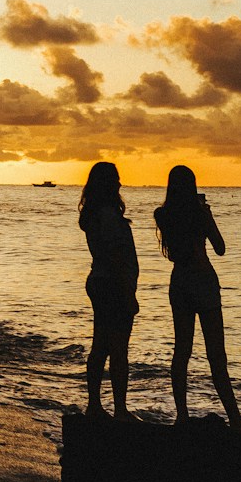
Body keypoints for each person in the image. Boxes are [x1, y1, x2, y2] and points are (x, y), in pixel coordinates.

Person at [154, 164, 241, 430]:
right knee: (216, 355)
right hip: (203, 280)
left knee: (181, 351)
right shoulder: (199, 213)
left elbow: (173, 253)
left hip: (180, 281)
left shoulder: (163, 215)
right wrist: (207, 215)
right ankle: (236, 420)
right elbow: (220, 248)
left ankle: (181, 415)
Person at [78, 161, 138, 418]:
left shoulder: (95, 214)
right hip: (112, 284)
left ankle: (95, 405)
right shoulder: (108, 216)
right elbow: (116, 257)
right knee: (118, 349)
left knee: (101, 345)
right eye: (115, 179)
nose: (120, 183)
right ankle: (120, 409)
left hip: (100, 280)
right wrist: (128, 293)